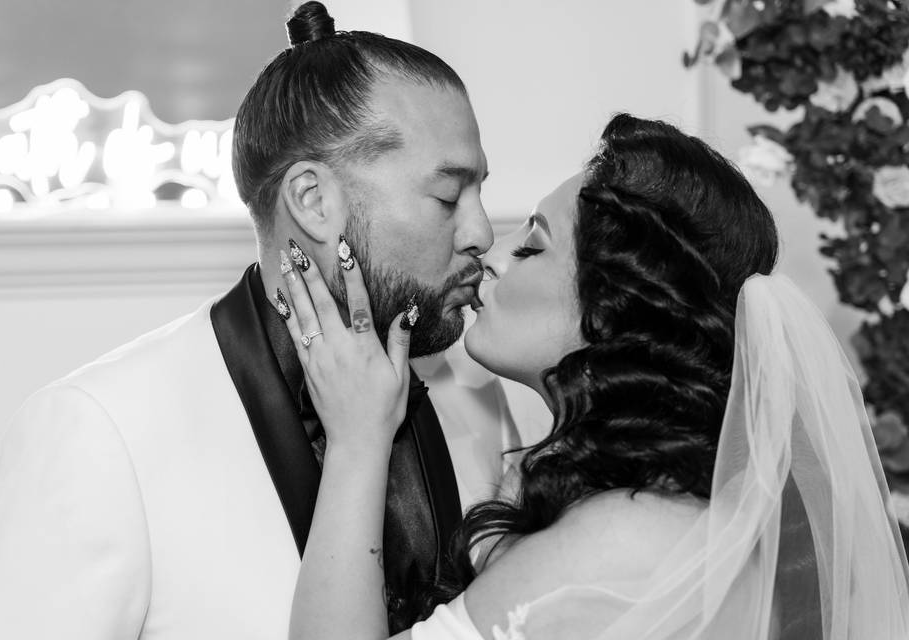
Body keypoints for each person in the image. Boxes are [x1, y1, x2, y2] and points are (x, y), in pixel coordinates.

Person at [0, 3, 518, 639]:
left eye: (480, 194)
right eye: (448, 196)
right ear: (312, 201)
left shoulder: (473, 392)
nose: (482, 232)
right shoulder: (100, 431)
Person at [279, 113, 909, 639]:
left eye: (532, 246)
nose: (490, 255)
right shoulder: (659, 503)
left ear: (612, 310)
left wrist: (358, 440)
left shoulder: (629, 534)